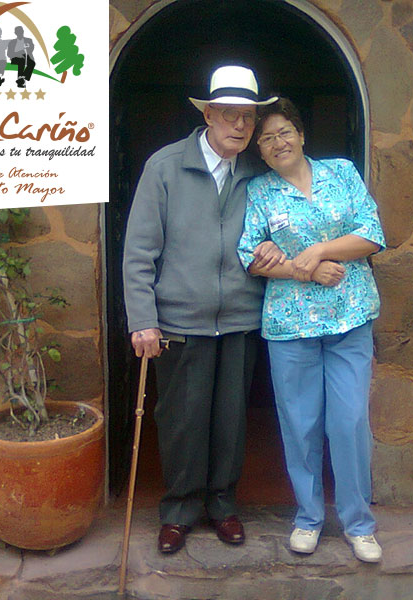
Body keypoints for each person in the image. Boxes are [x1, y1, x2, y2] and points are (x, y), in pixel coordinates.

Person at [123, 65, 281, 554]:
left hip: (239, 318)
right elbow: (139, 250)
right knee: (183, 421)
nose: (241, 125)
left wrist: (275, 249)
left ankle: (223, 505)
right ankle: (179, 510)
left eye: (249, 117)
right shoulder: (165, 167)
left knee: (231, 420)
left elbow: (281, 228)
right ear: (208, 114)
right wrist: (142, 319)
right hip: (179, 321)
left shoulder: (257, 173)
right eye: (230, 115)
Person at [237, 98, 386, 563]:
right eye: (266, 138)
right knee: (300, 425)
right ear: (260, 151)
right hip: (291, 324)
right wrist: (306, 272)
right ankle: (308, 517)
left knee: (349, 421)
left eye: (284, 132)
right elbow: (250, 256)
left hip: (350, 317)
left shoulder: (341, 172)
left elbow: (371, 234)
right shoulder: (260, 192)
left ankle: (359, 524)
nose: (277, 142)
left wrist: (320, 251)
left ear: (301, 135)